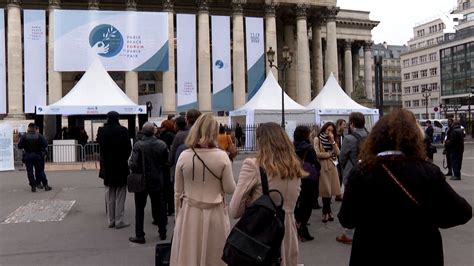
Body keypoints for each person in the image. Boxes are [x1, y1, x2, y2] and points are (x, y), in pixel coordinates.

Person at [338, 109, 472, 266]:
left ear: (376, 138)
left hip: (371, 254)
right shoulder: (427, 172)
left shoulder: (361, 173)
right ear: (415, 138)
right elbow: (462, 212)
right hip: (419, 254)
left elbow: (347, 219)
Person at [230, 122, 304, 266]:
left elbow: (235, 210)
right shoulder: (295, 167)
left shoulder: (253, 165)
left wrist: (251, 201)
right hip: (287, 231)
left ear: (260, 141)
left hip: (262, 232)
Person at [170, 113, 236, 266]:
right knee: (214, 255)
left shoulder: (184, 156)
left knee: (189, 254)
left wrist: (178, 217)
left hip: (189, 212)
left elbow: (177, 191)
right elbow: (229, 188)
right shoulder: (222, 157)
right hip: (215, 213)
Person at [128, 122, 169, 244]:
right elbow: (166, 161)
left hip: (142, 180)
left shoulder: (138, 145)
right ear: (154, 132)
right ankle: (162, 231)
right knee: (159, 206)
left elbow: (133, 163)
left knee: (139, 208)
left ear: (142, 132)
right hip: (156, 178)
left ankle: (140, 235)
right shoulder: (161, 144)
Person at [336, 112, 367, 245]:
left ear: (352, 123)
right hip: (367, 171)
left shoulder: (348, 139)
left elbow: (342, 157)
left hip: (352, 172)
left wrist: (344, 168)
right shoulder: (369, 135)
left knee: (351, 201)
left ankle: (348, 233)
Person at [97, 111, 132, 229]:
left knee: (109, 193)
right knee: (120, 194)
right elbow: (128, 148)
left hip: (107, 165)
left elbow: (100, 146)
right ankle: (119, 220)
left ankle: (110, 220)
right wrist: (123, 159)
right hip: (121, 165)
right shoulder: (123, 130)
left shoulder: (101, 130)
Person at [293, 125, 320, 242]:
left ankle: (298, 224)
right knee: (307, 204)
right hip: (308, 179)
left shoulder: (292, 147)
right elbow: (315, 164)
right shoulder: (309, 148)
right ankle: (302, 227)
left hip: (296, 177)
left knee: (298, 202)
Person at [314, 122, 340, 223]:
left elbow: (338, 152)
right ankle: (325, 212)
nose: (329, 132)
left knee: (331, 191)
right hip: (323, 166)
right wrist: (329, 154)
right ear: (324, 129)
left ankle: (328, 211)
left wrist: (332, 141)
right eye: (328, 130)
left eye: (332, 130)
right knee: (326, 190)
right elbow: (317, 153)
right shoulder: (318, 139)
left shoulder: (333, 139)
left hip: (333, 166)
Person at [17, 123, 51, 192]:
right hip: (38, 155)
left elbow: (19, 146)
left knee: (30, 171)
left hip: (28, 155)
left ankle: (33, 185)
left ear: (28, 128)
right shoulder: (39, 136)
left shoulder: (24, 136)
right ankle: (45, 185)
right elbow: (45, 144)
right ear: (35, 128)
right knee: (40, 170)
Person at [159, 119, 176, 216]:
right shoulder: (174, 136)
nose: (160, 129)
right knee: (170, 187)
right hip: (172, 164)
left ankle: (165, 208)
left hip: (165, 164)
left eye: (162, 127)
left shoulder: (164, 137)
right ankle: (171, 208)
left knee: (165, 188)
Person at [334, 119, 347, 201]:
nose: (345, 126)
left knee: (341, 176)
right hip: (335, 158)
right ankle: (337, 194)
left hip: (341, 158)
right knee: (338, 175)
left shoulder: (343, 135)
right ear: (339, 125)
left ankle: (338, 194)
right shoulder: (335, 136)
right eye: (344, 124)